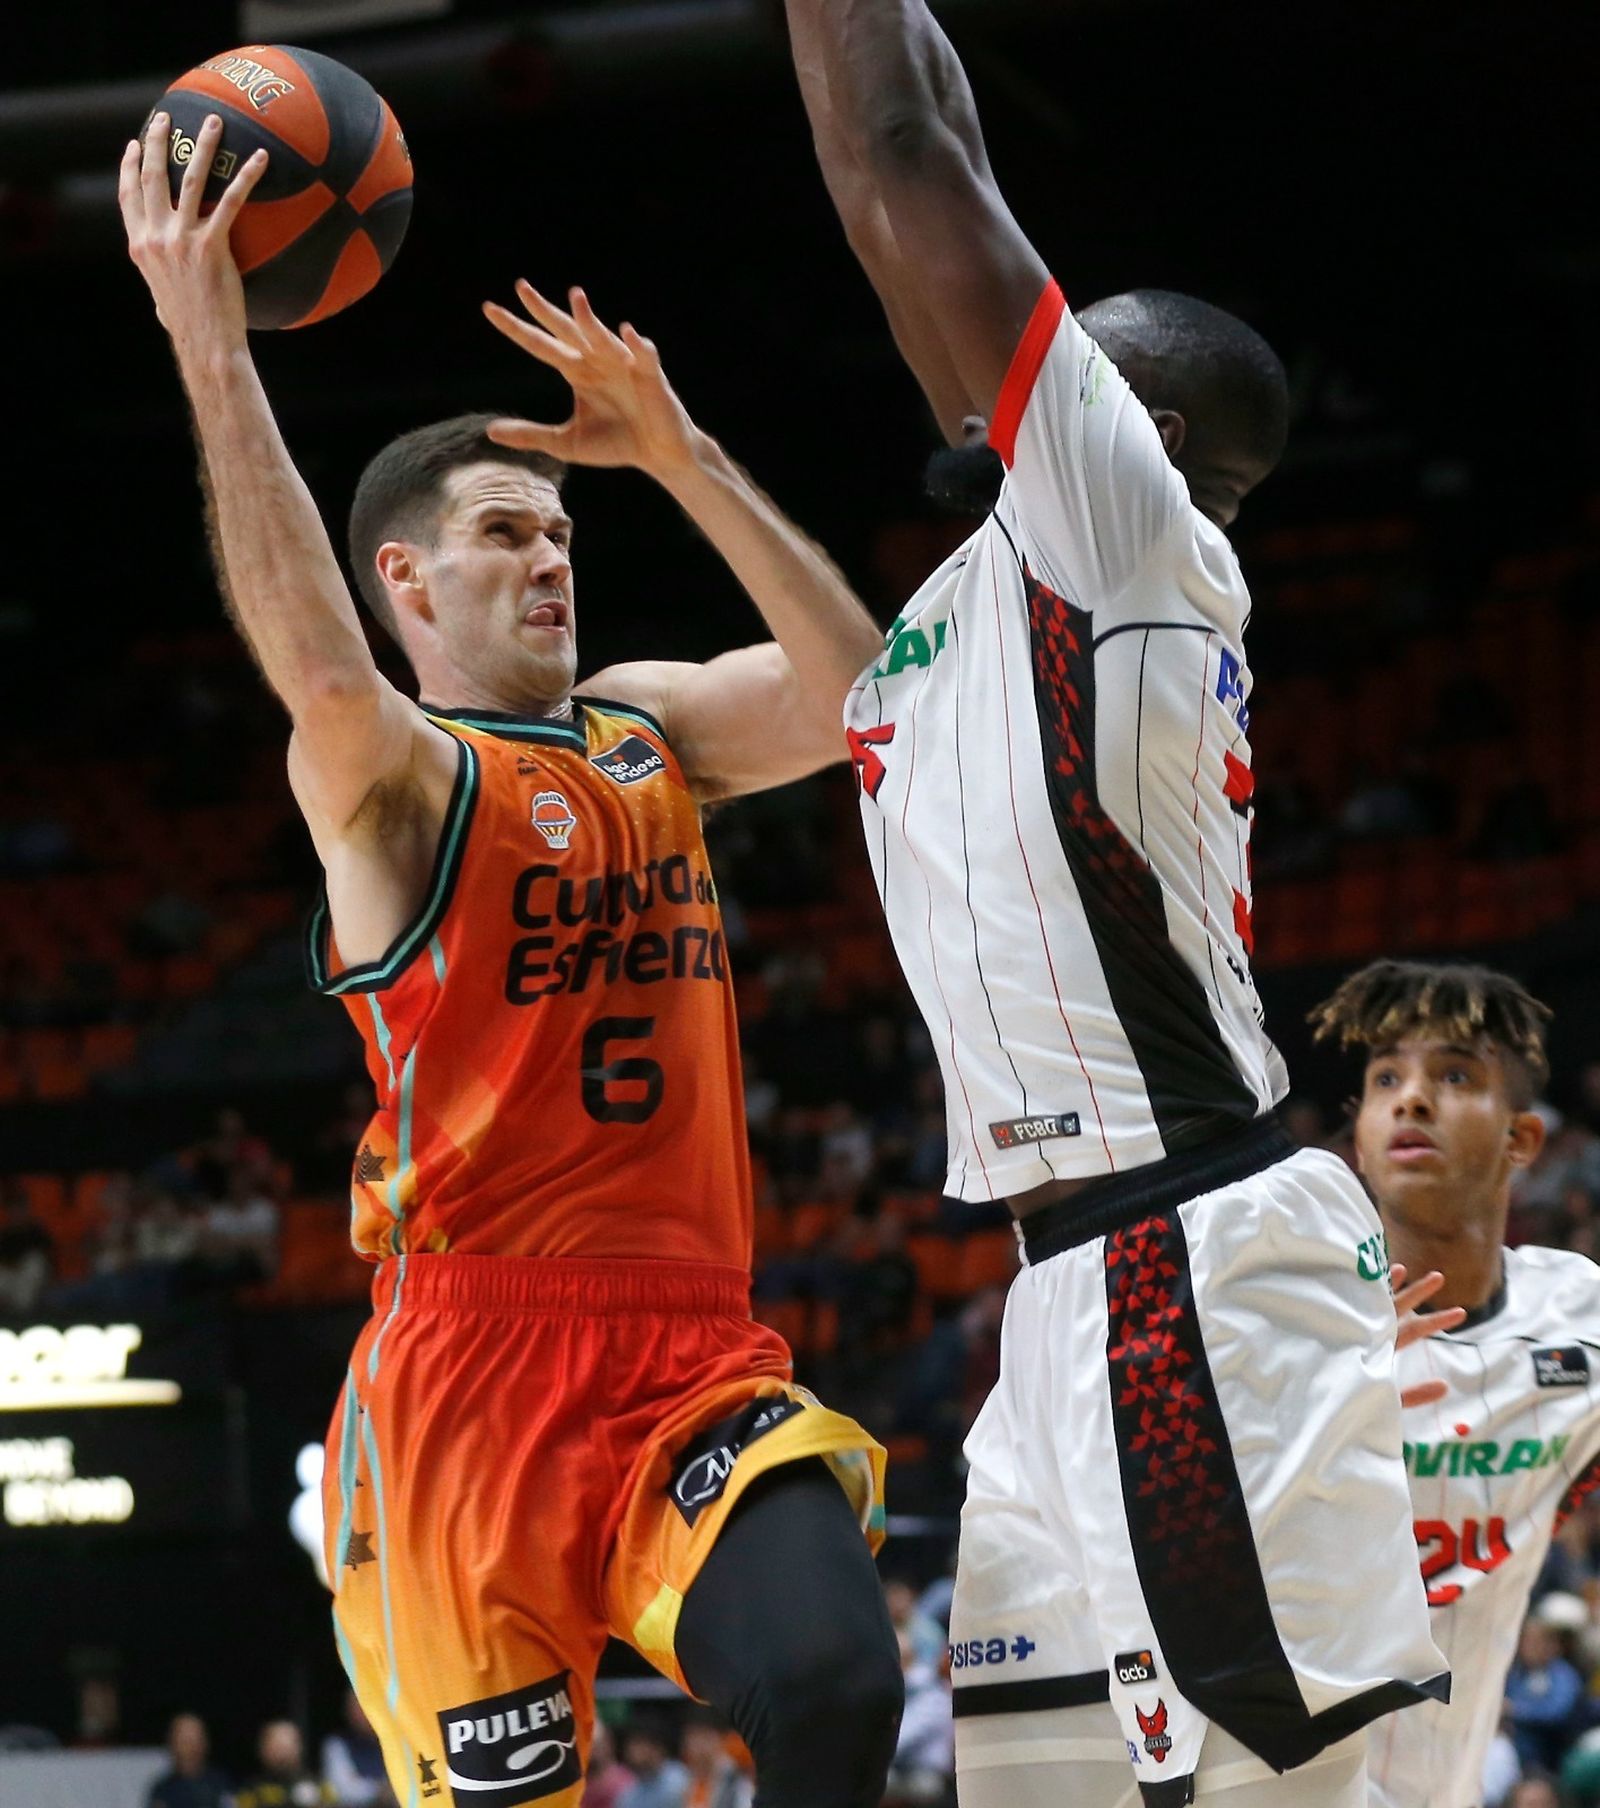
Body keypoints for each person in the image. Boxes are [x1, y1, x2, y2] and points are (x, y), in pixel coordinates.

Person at [119, 113, 900, 1808]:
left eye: (561, 532)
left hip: (690, 1351)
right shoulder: (401, 783)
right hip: (465, 1376)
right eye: (501, 534)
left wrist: (680, 454)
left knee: (837, 1682)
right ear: (401, 577)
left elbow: (863, 692)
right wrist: (209, 344)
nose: (549, 556)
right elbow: (322, 680)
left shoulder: (648, 730)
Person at [782, 5, 1449, 1802]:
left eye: (1062, 360)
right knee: (1036, 1778)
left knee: (1275, 1788)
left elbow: (901, 168)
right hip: (1067, 1290)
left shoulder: (1127, 531)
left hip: (1189, 1262)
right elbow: (945, 144)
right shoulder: (997, 590)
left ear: (1130, 426)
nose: (987, 360)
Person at [1318, 956, 1600, 1808]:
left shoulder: (1579, 1320)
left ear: (1521, 1139)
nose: (1411, 1098)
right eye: (1384, 1079)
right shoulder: (1293, 1327)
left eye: (1452, 1075)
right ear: (1359, 1142)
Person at [235, 1719, 336, 1808]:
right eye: (277, 1747)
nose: (283, 1754)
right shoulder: (250, 1792)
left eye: (288, 1746)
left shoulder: (321, 1787)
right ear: (262, 1749)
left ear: (300, 1748)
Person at [146, 1713, 231, 1808]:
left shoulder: (221, 1785)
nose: (190, 1749)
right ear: (171, 1744)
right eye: (184, 1742)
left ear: (205, 1744)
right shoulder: (162, 1791)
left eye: (194, 1741)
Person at [617, 1720, 689, 1808]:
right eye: (630, 1745)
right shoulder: (628, 1795)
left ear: (656, 1748)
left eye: (638, 1744)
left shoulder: (680, 1780)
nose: (632, 1751)